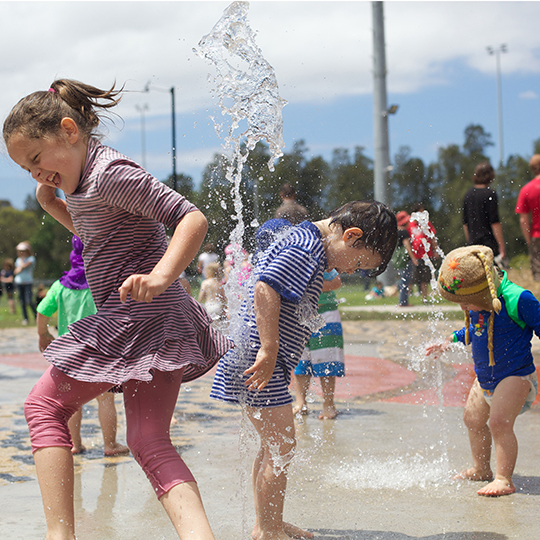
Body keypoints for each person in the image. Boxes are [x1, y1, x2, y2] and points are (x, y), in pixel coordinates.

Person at [3, 78, 230, 540]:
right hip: (158, 322)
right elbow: (100, 236)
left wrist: (164, 274)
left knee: (43, 406)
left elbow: (191, 217)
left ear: (69, 130)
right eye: (26, 170)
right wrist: (56, 206)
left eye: (35, 160)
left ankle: (59, 535)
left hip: (136, 318)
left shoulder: (110, 173)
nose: (35, 175)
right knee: (148, 441)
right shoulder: (88, 182)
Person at [210, 201, 397, 540]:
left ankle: (268, 522)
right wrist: (269, 348)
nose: (353, 271)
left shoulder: (309, 247)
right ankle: (267, 529)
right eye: (358, 262)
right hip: (259, 358)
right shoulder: (305, 246)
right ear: (350, 235)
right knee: (282, 444)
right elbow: (265, 287)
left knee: (274, 444)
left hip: (263, 360)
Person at [426, 245, 538, 497]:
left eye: (466, 302)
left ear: (483, 292)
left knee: (499, 423)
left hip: (515, 375)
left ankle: (503, 478)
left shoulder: (517, 299)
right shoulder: (480, 304)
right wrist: (450, 340)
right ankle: (481, 468)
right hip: (486, 376)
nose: (464, 308)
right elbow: (475, 330)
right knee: (473, 419)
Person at [37, 235, 129, 457]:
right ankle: (110, 444)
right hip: (101, 351)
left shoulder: (60, 286)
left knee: (71, 401)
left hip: (69, 353)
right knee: (105, 398)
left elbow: (42, 311)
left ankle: (75, 444)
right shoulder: (103, 281)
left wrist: (43, 335)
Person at [293, 269, 345, 420]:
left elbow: (336, 282)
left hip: (324, 311)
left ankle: (328, 404)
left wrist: (310, 286)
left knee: (326, 360)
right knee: (300, 360)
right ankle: (300, 403)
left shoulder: (320, 259)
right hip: (300, 313)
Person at [462, 162, 506, 263]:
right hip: (488, 244)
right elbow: (494, 223)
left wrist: (469, 243)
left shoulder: (468, 195)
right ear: (490, 175)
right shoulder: (490, 194)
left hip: (473, 245)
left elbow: (465, 224)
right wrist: (501, 247)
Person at [515, 154, 540, 287]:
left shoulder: (526, 189)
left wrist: (529, 240)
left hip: (536, 235)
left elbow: (523, 219)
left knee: (538, 276)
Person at [408, 204, 439, 301]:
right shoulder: (410, 224)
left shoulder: (426, 223)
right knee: (411, 277)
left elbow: (432, 237)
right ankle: (405, 298)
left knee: (425, 278)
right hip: (414, 255)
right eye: (421, 212)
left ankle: (424, 298)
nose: (423, 214)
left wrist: (436, 250)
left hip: (426, 255)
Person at [393, 211, 418, 307]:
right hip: (405, 259)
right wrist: (413, 258)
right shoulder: (404, 231)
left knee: (402, 279)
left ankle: (403, 301)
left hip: (398, 259)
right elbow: (407, 245)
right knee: (406, 280)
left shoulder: (396, 232)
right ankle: (403, 302)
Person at [13, 241, 37, 325]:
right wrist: (19, 267)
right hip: (19, 282)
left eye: (23, 251)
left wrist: (21, 265)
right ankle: (25, 318)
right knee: (22, 301)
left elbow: (23, 267)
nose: (21, 253)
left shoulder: (31, 259)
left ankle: (36, 316)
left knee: (29, 300)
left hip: (28, 282)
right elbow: (15, 271)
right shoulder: (18, 260)